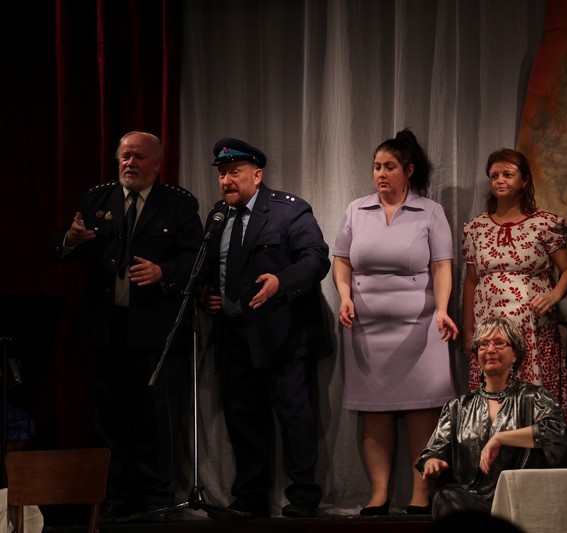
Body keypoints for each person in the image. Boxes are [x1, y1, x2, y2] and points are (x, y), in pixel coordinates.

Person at [52, 131, 204, 517]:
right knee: (109, 419)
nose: (129, 163)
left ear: (157, 164)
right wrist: (71, 240)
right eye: (124, 156)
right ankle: (113, 498)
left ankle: (156, 499)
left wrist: (163, 272)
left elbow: (197, 260)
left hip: (155, 331)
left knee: (157, 418)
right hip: (107, 330)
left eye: (138, 157)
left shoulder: (179, 204)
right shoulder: (97, 199)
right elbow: (61, 248)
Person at [199, 138, 329, 519]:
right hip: (233, 334)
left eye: (234, 172)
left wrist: (281, 282)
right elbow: (211, 269)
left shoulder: (287, 210)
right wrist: (207, 296)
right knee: (243, 417)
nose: (226, 180)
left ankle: (303, 496)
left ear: (257, 175)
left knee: (294, 415)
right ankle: (250, 497)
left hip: (281, 332)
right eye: (222, 173)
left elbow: (316, 257)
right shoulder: (217, 216)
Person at [332, 129, 459, 515]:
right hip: (367, 329)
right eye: (376, 167)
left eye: (389, 167)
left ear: (408, 171)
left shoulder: (430, 212)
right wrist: (344, 296)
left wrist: (442, 309)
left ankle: (420, 494)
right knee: (375, 410)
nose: (381, 174)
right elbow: (341, 261)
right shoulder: (357, 210)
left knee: (422, 410)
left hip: (421, 328)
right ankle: (379, 494)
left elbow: (441, 267)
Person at [462, 149, 567, 424]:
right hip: (490, 333)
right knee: (493, 406)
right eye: (494, 176)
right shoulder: (476, 228)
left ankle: (534, 448)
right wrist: (468, 332)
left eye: (507, 174)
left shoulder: (544, 224)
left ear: (524, 181)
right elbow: (471, 281)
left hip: (533, 332)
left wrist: (553, 296)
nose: (499, 180)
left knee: (533, 407)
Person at [416, 317, 567, 519]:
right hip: (469, 501)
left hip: (520, 499)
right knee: (446, 497)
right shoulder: (458, 407)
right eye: (483, 344)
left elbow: (555, 435)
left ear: (515, 354)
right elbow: (434, 451)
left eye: (499, 343)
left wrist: (500, 438)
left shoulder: (535, 397)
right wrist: (433, 462)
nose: (490, 349)